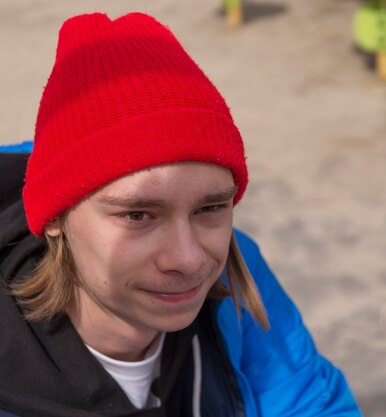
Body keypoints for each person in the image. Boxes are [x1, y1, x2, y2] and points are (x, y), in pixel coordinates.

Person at [0, 12, 361, 417]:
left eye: (209, 208)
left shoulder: (238, 278)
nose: (189, 259)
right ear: (54, 216)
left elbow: (310, 401)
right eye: (138, 215)